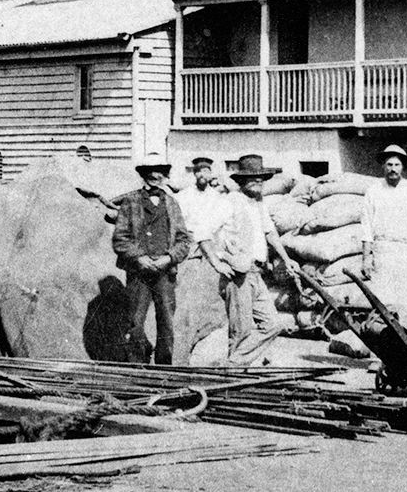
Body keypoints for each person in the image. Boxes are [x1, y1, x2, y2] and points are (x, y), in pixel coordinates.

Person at [204, 154, 294, 362]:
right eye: (253, 178)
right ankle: (232, 374)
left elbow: (270, 233)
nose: (258, 182)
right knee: (241, 331)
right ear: (242, 181)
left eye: (261, 178)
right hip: (238, 274)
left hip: (256, 272)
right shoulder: (230, 202)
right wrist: (217, 263)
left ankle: (232, 365)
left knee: (272, 324)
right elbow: (203, 233)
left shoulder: (258, 203)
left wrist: (286, 258)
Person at [110, 153, 191, 365]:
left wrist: (169, 258)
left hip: (165, 272)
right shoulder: (130, 202)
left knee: (166, 321)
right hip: (138, 273)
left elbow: (184, 240)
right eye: (150, 171)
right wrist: (138, 258)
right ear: (143, 174)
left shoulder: (172, 204)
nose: (155, 175)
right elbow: (119, 238)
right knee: (135, 321)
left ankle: (164, 368)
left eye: (160, 171)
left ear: (165, 175)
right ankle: (138, 366)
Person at [359, 145, 407, 309]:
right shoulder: (373, 191)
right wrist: (366, 259)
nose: (393, 169)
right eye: (389, 164)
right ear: (383, 166)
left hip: (406, 251)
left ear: (403, 167)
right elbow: (366, 228)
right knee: (383, 301)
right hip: (383, 251)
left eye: (397, 165)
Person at [173, 155, 233, 259]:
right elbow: (181, 222)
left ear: (210, 174)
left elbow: (221, 223)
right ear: (194, 174)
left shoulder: (218, 197)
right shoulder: (183, 195)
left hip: (213, 247)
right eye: (198, 171)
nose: (202, 175)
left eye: (206, 171)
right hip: (191, 247)